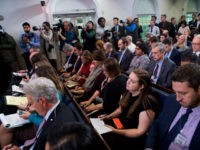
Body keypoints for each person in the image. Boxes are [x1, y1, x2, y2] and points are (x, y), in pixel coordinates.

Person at [3, 77, 78, 150]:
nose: (30, 108)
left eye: (31, 103)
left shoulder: (57, 130)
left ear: (42, 101)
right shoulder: (56, 107)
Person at [101, 69, 160, 150]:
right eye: (128, 78)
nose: (127, 82)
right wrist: (108, 117)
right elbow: (120, 110)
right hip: (119, 126)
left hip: (130, 139)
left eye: (132, 81)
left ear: (142, 86)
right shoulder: (128, 92)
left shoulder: (147, 104)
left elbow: (139, 132)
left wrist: (114, 131)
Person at [145, 64, 200, 150]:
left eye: (183, 93)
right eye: (176, 92)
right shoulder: (171, 100)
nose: (178, 99)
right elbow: (156, 125)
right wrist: (149, 147)